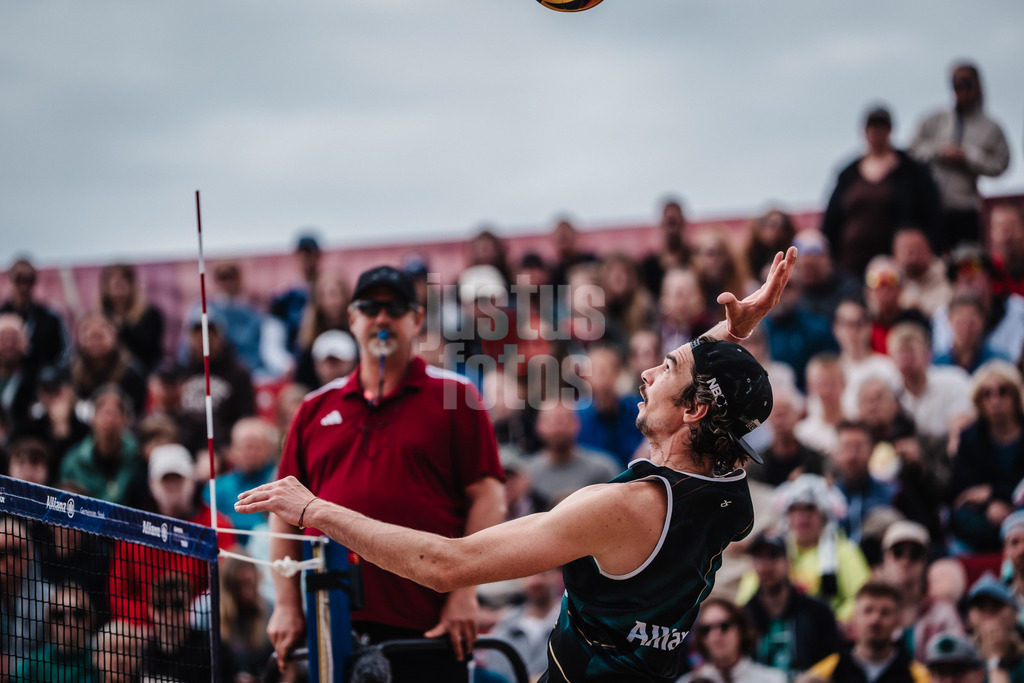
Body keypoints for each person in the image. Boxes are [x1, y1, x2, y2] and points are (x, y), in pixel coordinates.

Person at [236, 249, 799, 683]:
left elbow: (446, 564)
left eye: (666, 367)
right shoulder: (729, 490)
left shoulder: (621, 508)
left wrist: (315, 509)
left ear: (694, 409)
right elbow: (712, 400)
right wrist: (734, 335)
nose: (647, 374)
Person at [264, 264, 507, 682]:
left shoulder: (456, 396)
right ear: (352, 318)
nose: (381, 318)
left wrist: (464, 593)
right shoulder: (313, 409)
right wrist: (285, 604)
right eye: (369, 307)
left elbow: (488, 498)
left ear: (415, 320)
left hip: (428, 623)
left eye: (394, 307)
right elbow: (283, 512)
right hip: (332, 621)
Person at [822, 105, 941, 276]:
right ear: (864, 131)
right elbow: (832, 219)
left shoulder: (911, 169)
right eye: (872, 127)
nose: (876, 132)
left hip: (898, 268)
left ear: (890, 130)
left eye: (881, 127)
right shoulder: (848, 173)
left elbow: (932, 212)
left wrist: (930, 247)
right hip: (851, 265)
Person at [909, 61, 1011, 253]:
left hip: (965, 209)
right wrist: (940, 152)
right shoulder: (935, 120)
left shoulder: (990, 127)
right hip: (932, 207)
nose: (962, 90)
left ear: (978, 85)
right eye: (956, 85)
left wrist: (969, 158)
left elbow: (1001, 163)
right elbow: (911, 151)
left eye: (967, 83)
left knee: (967, 261)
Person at [742, 532, 840, 679]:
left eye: (773, 556)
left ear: (789, 562)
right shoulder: (744, 616)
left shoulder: (817, 611)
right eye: (759, 558)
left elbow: (833, 657)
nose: (766, 566)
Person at [806, 580, 930, 683]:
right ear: (854, 617)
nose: (875, 620)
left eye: (885, 613)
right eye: (868, 611)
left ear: (898, 621)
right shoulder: (825, 673)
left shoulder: (918, 676)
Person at [874, 520, 964, 663]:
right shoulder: (871, 611)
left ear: (924, 562)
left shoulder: (942, 611)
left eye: (914, 554)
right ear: (884, 560)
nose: (905, 561)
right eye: (897, 553)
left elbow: (957, 662)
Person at [525, 398, 623, 511]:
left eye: (562, 420)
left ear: (576, 424)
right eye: (550, 420)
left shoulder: (603, 469)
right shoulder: (527, 475)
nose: (557, 428)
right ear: (538, 426)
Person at [678, 597, 786, 683]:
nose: (715, 635)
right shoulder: (687, 681)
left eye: (724, 626)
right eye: (706, 629)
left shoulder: (773, 679)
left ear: (741, 629)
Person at [0, 257, 70, 372]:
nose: (24, 286)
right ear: (10, 278)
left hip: (41, 383)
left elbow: (65, 354)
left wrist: (51, 374)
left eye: (29, 279)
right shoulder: (1, 314)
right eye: (19, 278)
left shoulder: (51, 317)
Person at [96, 263, 165, 374]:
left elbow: (150, 352)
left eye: (122, 284)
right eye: (114, 285)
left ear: (132, 285)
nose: (118, 291)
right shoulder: (97, 318)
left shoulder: (151, 316)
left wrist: (124, 328)